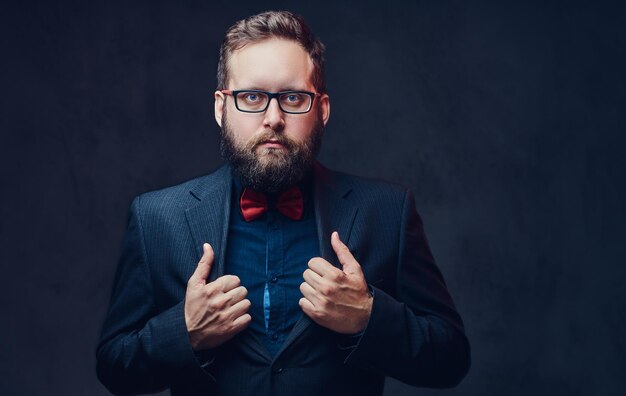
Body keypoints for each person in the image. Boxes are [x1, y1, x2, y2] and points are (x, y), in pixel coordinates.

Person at [96, 10, 470, 396]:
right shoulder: (156, 218)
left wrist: (368, 318)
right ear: (221, 107)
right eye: (252, 97)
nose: (273, 118)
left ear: (321, 109)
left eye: (293, 97)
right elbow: (114, 365)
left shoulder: (388, 210)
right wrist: (184, 331)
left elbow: (451, 358)